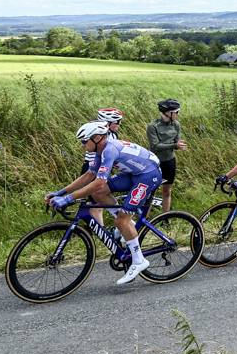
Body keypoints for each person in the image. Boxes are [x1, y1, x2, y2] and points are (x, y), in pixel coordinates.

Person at [46, 121, 161, 285]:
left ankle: (139, 260)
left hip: (148, 175)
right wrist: (61, 192)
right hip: (135, 173)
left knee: (120, 221)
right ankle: (127, 225)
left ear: (97, 138)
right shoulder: (100, 149)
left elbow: (99, 181)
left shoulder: (109, 150)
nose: (83, 145)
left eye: (84, 141)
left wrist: (68, 198)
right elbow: (89, 175)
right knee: (98, 193)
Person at [145, 99, 184, 213]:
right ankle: (144, 218)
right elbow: (155, 146)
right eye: (176, 112)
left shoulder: (176, 124)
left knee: (167, 191)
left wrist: (179, 145)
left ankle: (166, 218)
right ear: (168, 113)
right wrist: (175, 145)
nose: (177, 114)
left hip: (170, 161)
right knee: (150, 191)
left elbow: (177, 141)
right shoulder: (153, 126)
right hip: (155, 162)